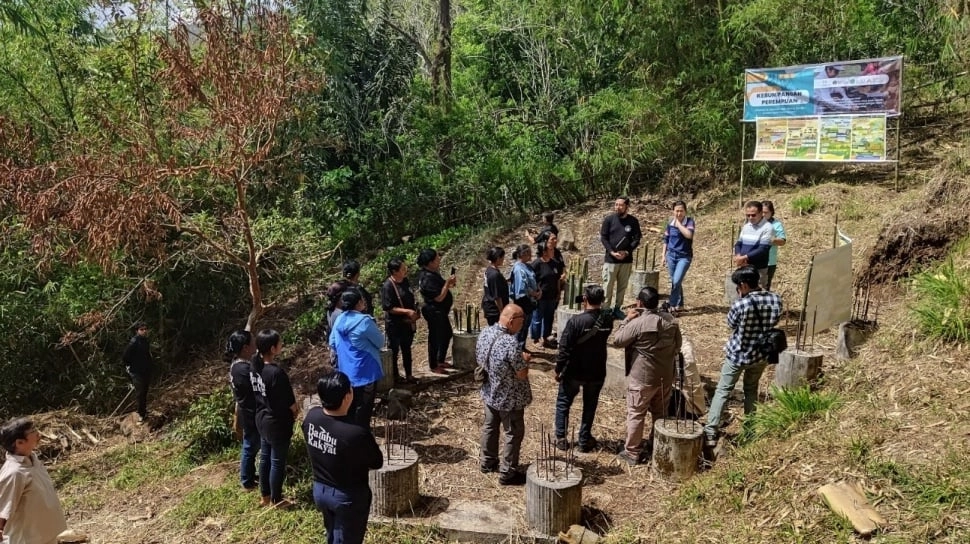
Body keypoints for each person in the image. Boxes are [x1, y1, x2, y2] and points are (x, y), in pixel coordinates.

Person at [703, 266, 783, 447]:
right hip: (761, 355)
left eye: (738, 287)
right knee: (751, 390)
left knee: (723, 390)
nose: (738, 290)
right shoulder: (775, 299)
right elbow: (775, 320)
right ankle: (749, 431)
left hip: (738, 355)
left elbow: (731, 324)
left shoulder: (741, 304)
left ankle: (710, 431)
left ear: (744, 285)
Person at [304, 371, 383, 544]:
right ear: (348, 396)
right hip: (347, 497)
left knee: (332, 533)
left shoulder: (311, 417)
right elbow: (377, 462)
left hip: (320, 490)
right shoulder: (355, 433)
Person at [611, 287, 682, 465]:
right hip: (665, 376)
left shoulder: (638, 323)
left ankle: (632, 452)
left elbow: (617, 340)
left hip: (642, 378)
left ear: (640, 303)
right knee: (660, 412)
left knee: (636, 413)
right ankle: (656, 444)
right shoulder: (671, 321)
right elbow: (678, 345)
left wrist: (627, 319)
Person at [553, 285, 614, 453]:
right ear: (602, 300)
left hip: (574, 370)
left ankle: (561, 438)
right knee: (590, 406)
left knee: (564, 402)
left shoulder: (576, 322)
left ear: (585, 299)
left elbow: (564, 348)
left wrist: (558, 369)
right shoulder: (607, 321)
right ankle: (584, 440)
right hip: (597, 370)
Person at [477, 304, 533, 485]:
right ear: (511, 321)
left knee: (490, 427)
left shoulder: (485, 333)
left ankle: (487, 462)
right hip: (510, 398)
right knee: (513, 434)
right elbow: (521, 373)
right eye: (521, 322)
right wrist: (525, 360)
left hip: (490, 393)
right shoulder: (510, 343)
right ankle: (508, 473)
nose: (522, 326)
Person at [0, 418, 68, 544]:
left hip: (48, 534)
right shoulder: (14, 473)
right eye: (32, 431)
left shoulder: (33, 459)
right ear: (19, 442)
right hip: (28, 539)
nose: (38, 433)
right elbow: (2, 509)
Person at [250, 329, 298, 507]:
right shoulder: (276, 373)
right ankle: (277, 500)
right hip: (277, 423)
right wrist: (295, 413)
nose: (282, 344)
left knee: (265, 457)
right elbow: (291, 403)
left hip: (261, 418)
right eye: (280, 342)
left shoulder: (254, 368)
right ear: (272, 348)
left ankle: (265, 496)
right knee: (277, 462)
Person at [329, 288, 385, 430]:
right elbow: (380, 342)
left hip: (346, 372)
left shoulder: (339, 319)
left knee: (350, 406)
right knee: (365, 408)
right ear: (359, 302)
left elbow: (332, 343)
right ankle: (361, 434)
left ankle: (350, 431)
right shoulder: (364, 321)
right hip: (366, 371)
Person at [226, 329, 259, 490]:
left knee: (251, 445)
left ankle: (250, 475)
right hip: (250, 413)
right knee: (250, 446)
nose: (255, 345)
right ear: (245, 348)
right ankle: (247, 480)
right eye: (253, 342)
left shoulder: (237, 365)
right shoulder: (243, 370)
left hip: (247, 410)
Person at [600, 196, 642, 318]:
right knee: (607, 286)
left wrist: (627, 252)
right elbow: (604, 238)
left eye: (621, 205)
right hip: (611, 260)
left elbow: (636, 239)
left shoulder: (633, 221)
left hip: (626, 260)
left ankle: (617, 308)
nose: (617, 207)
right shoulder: (609, 220)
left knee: (622, 287)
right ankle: (605, 310)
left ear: (626, 207)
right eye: (616, 204)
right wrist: (612, 252)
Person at [417, 248, 456, 374]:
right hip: (434, 311)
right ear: (430, 262)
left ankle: (440, 359)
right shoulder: (426, 278)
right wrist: (447, 284)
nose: (439, 260)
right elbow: (439, 297)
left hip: (441, 311)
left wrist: (449, 283)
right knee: (435, 337)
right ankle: (433, 364)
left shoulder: (433, 273)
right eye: (437, 258)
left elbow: (442, 288)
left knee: (446, 333)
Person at [381, 257, 419, 384]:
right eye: (402, 269)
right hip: (395, 325)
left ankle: (409, 374)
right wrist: (406, 311)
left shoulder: (405, 281)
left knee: (407, 349)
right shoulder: (388, 286)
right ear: (394, 271)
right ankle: (395, 377)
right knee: (394, 351)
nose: (405, 270)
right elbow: (388, 307)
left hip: (407, 324)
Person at [530, 234, 565, 349]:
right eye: (550, 250)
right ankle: (535, 339)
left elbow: (557, 279)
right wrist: (535, 293)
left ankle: (546, 337)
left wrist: (558, 293)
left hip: (552, 296)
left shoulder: (554, 263)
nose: (553, 251)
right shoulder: (536, 264)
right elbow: (531, 280)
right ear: (544, 252)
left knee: (549, 318)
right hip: (540, 297)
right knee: (537, 319)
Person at [661, 200, 695, 312]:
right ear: (673, 211)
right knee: (675, 281)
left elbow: (689, 235)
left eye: (681, 211)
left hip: (684, 256)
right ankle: (680, 305)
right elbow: (666, 239)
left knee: (676, 281)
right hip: (671, 255)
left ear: (685, 212)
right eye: (676, 211)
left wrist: (679, 224)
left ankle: (672, 304)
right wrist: (663, 255)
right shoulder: (670, 223)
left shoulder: (689, 222)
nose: (679, 213)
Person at [325, 260, 374, 336]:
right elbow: (367, 311)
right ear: (357, 274)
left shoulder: (335, 289)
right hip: (356, 334)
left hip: (335, 333)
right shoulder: (359, 291)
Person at [733, 200, 774, 288]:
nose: (750, 217)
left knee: (758, 293)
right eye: (748, 215)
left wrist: (744, 257)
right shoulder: (746, 226)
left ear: (761, 213)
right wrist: (738, 256)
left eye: (753, 215)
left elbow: (763, 249)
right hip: (743, 267)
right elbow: (738, 244)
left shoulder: (767, 227)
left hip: (758, 270)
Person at [508, 244, 540, 352]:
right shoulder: (518, 268)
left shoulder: (527, 266)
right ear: (524, 254)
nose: (531, 255)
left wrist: (538, 291)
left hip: (530, 300)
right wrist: (534, 294)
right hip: (523, 301)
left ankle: (522, 347)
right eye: (529, 253)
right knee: (521, 326)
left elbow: (534, 280)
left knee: (525, 326)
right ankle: (517, 350)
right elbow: (522, 287)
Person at [122, 321, 153, 423]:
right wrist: (129, 366)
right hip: (136, 372)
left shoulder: (145, 341)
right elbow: (125, 356)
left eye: (145, 329)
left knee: (145, 392)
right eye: (141, 329)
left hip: (145, 370)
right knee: (140, 393)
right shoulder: (134, 342)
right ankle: (140, 414)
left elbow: (147, 355)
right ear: (137, 331)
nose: (144, 331)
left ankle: (144, 412)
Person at [762, 200, 787, 290]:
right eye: (761, 212)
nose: (763, 215)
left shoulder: (776, 225)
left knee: (764, 287)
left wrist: (771, 239)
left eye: (766, 212)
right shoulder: (755, 223)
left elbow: (782, 241)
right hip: (754, 260)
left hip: (769, 262)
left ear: (771, 212)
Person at [481, 247, 509, 326]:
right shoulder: (494, 274)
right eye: (502, 257)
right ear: (498, 258)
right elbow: (497, 297)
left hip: (490, 306)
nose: (503, 259)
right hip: (494, 310)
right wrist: (502, 312)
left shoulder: (490, 270)